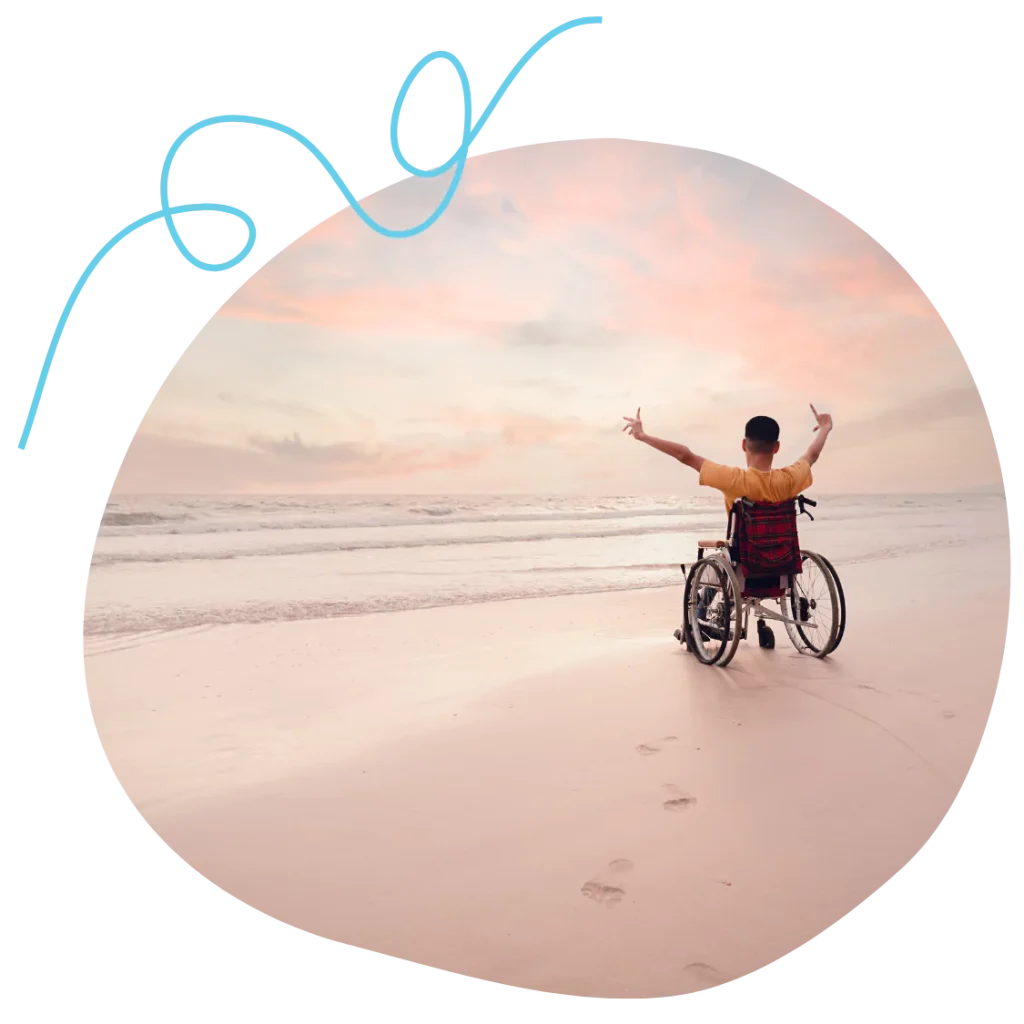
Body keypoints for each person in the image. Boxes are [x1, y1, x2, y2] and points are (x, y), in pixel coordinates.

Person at [622, 405, 834, 647]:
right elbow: (812, 455)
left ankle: (694, 623)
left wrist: (643, 436)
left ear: (744, 444)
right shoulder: (789, 479)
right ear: (776, 447)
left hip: (744, 567)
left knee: (716, 564)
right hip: (783, 565)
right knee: (725, 560)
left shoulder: (734, 480)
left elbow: (686, 456)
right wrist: (825, 428)